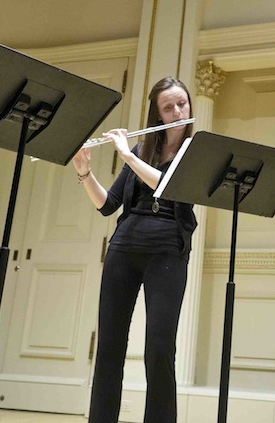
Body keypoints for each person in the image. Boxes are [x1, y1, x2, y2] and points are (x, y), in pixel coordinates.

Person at [72, 76, 196, 423]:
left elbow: (169, 186)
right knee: (109, 345)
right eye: (168, 106)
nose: (177, 111)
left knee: (159, 348)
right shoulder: (144, 151)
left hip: (168, 252)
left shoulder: (194, 151)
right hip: (124, 249)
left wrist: (125, 154)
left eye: (182, 104)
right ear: (157, 114)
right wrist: (85, 173)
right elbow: (107, 205)